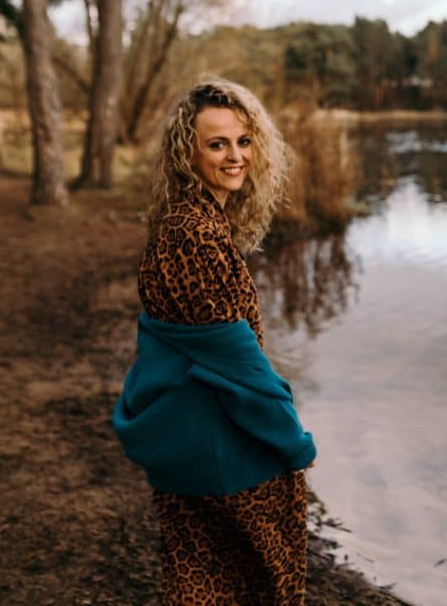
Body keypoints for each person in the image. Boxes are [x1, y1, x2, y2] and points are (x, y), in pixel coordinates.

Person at [112, 79, 317, 605]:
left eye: (243, 141)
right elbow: (236, 361)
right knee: (264, 585)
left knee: (201, 583)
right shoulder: (193, 232)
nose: (235, 156)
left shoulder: (195, 221)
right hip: (221, 447)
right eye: (217, 143)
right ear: (188, 153)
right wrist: (291, 439)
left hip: (194, 437)